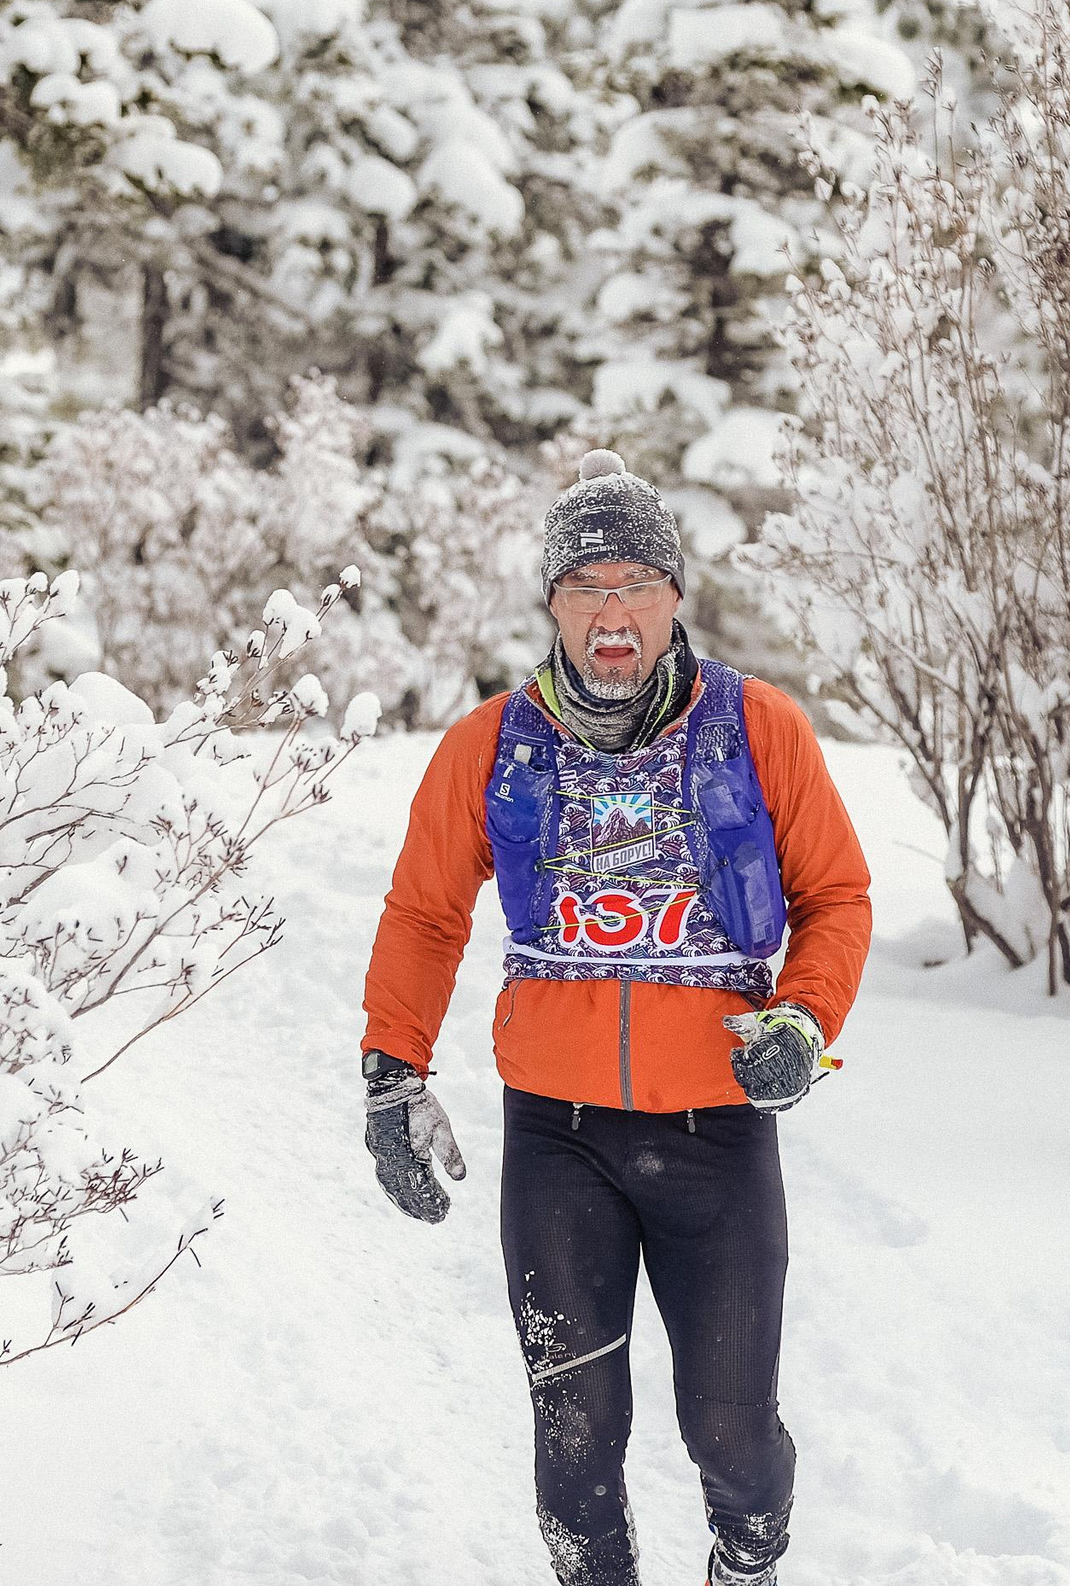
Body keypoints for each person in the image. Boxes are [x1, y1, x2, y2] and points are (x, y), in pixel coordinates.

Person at [357, 448, 873, 1586]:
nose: (612, 613)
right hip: (559, 1138)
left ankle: (747, 1561)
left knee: (733, 1434)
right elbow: (425, 913)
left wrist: (802, 1020)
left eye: (637, 585)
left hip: (717, 1132)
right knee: (574, 1438)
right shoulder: (492, 745)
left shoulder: (758, 728)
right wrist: (392, 1069)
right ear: (551, 603)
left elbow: (836, 896)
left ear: (673, 597)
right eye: (585, 587)